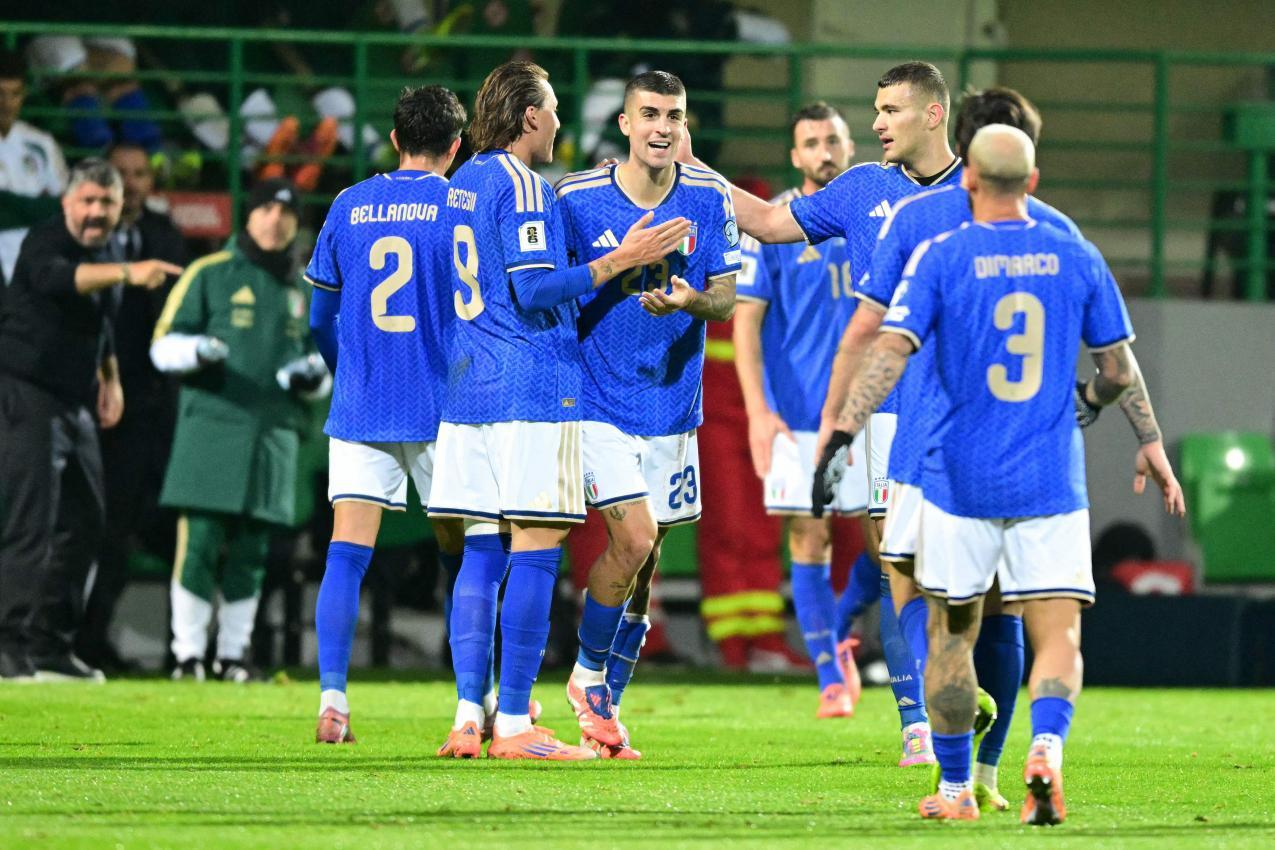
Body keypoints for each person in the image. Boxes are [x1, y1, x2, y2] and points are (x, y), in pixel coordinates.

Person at [817, 86, 1187, 813]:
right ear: (1033, 174)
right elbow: (1115, 369)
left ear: (967, 166)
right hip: (1048, 474)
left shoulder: (929, 239)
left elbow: (879, 343)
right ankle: (1028, 757)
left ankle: (953, 782)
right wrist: (1140, 435)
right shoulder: (1069, 247)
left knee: (937, 621)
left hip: (941, 465)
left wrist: (838, 427)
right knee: (1037, 627)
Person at [428, 61, 687, 760]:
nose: (560, 124)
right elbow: (537, 291)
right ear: (531, 116)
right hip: (530, 388)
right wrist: (620, 258)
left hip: (466, 392)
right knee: (537, 549)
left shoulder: (463, 182)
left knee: (480, 552)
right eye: (553, 111)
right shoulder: (523, 185)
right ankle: (515, 724)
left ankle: (467, 715)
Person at [727, 60, 963, 767]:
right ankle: (911, 717)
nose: (875, 123)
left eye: (888, 110)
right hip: (860, 411)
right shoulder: (862, 194)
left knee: (938, 573)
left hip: (948, 413)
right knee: (891, 561)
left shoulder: (973, 192)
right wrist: (689, 169)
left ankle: (954, 711)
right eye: (874, 109)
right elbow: (768, 225)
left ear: (931, 114)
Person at [555, 70, 740, 758]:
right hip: (595, 401)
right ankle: (584, 677)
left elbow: (724, 298)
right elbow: (544, 288)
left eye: (674, 115)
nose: (662, 127)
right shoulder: (574, 199)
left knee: (648, 560)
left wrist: (688, 301)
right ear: (626, 124)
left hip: (671, 407)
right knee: (632, 540)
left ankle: (604, 710)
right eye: (650, 114)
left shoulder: (707, 196)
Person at [303, 85, 467, 743]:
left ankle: (333, 701)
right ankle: (471, 704)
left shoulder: (348, 204)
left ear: (394, 140)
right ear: (456, 148)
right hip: (442, 407)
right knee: (465, 555)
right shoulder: (459, 206)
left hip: (362, 404)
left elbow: (319, 318)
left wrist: (353, 377)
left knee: (346, 553)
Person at [0, 158, 178, 681]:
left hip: (74, 400)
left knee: (87, 522)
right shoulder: (45, 240)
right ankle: (8, 643)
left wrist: (111, 376)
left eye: (107, 202)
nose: (97, 212)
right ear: (66, 203)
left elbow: (100, 321)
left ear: (121, 206)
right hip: (26, 391)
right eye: (88, 201)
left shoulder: (110, 249)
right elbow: (59, 281)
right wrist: (127, 272)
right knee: (30, 522)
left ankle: (50, 644)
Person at [150, 178, 329, 683]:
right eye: (267, 208)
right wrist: (197, 351)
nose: (276, 219)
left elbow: (322, 364)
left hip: (274, 431)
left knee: (253, 550)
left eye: (287, 212)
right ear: (247, 217)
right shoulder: (209, 273)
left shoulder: (305, 288)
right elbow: (162, 345)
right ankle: (187, 655)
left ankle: (232, 655)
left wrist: (314, 378)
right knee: (201, 541)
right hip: (213, 425)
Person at [733, 100, 872, 718]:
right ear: (795, 155)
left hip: (875, 411)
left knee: (890, 545)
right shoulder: (776, 227)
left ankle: (841, 624)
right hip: (801, 412)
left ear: (850, 146)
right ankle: (829, 677)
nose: (824, 150)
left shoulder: (874, 216)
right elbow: (745, 326)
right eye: (812, 141)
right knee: (810, 538)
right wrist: (759, 414)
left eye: (833, 139)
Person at [77, 141, 187, 672]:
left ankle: (181, 653)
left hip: (155, 412)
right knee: (104, 532)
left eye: (141, 173)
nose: (134, 183)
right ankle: (85, 641)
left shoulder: (166, 237)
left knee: (170, 532)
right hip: (99, 409)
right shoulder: (89, 244)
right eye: (123, 174)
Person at [0, 48, 68, 285]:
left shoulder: (41, 144)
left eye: (15, 94)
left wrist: (8, 202)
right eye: (0, 94)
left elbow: (62, 209)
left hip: (36, 264)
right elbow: (45, 210)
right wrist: (35, 209)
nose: (6, 104)